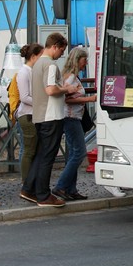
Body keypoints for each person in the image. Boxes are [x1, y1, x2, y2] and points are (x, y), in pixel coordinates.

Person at [23, 32, 71, 207]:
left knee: (41, 154)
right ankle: (43, 195)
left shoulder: (36, 64)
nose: (61, 55)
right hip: (51, 115)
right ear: (55, 46)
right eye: (62, 50)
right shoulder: (50, 65)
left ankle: (28, 188)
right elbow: (50, 90)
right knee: (47, 157)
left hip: (40, 115)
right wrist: (66, 88)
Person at [53, 47, 95, 201]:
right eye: (84, 61)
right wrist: (88, 99)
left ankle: (71, 188)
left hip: (72, 117)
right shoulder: (70, 78)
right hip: (71, 118)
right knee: (79, 153)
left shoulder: (71, 77)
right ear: (78, 60)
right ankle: (61, 186)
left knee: (72, 154)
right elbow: (67, 99)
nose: (85, 64)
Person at [15, 43, 43, 195]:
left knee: (33, 148)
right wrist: (41, 102)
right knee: (29, 150)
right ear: (33, 57)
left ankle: (31, 181)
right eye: (40, 56)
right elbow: (24, 96)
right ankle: (26, 182)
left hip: (33, 113)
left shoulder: (30, 71)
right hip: (27, 114)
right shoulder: (24, 72)